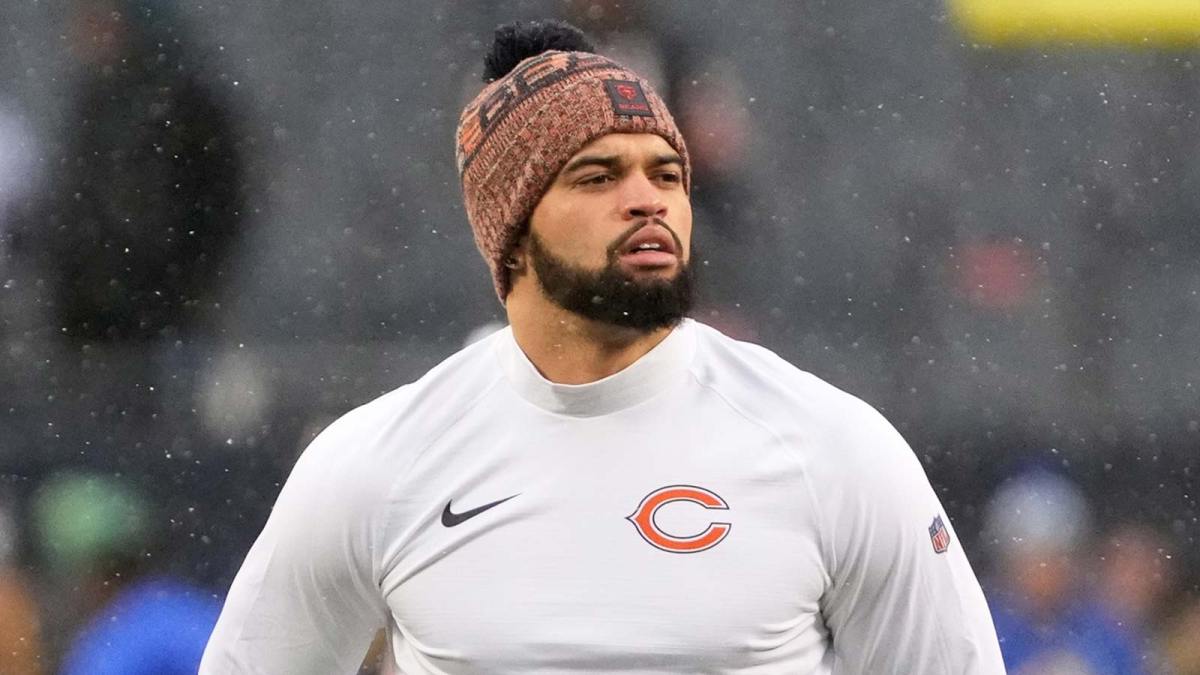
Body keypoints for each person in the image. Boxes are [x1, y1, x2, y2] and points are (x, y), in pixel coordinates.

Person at [201, 20, 1004, 673]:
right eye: (597, 176)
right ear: (512, 231)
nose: (647, 200)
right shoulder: (376, 466)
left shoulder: (834, 450)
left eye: (667, 173)